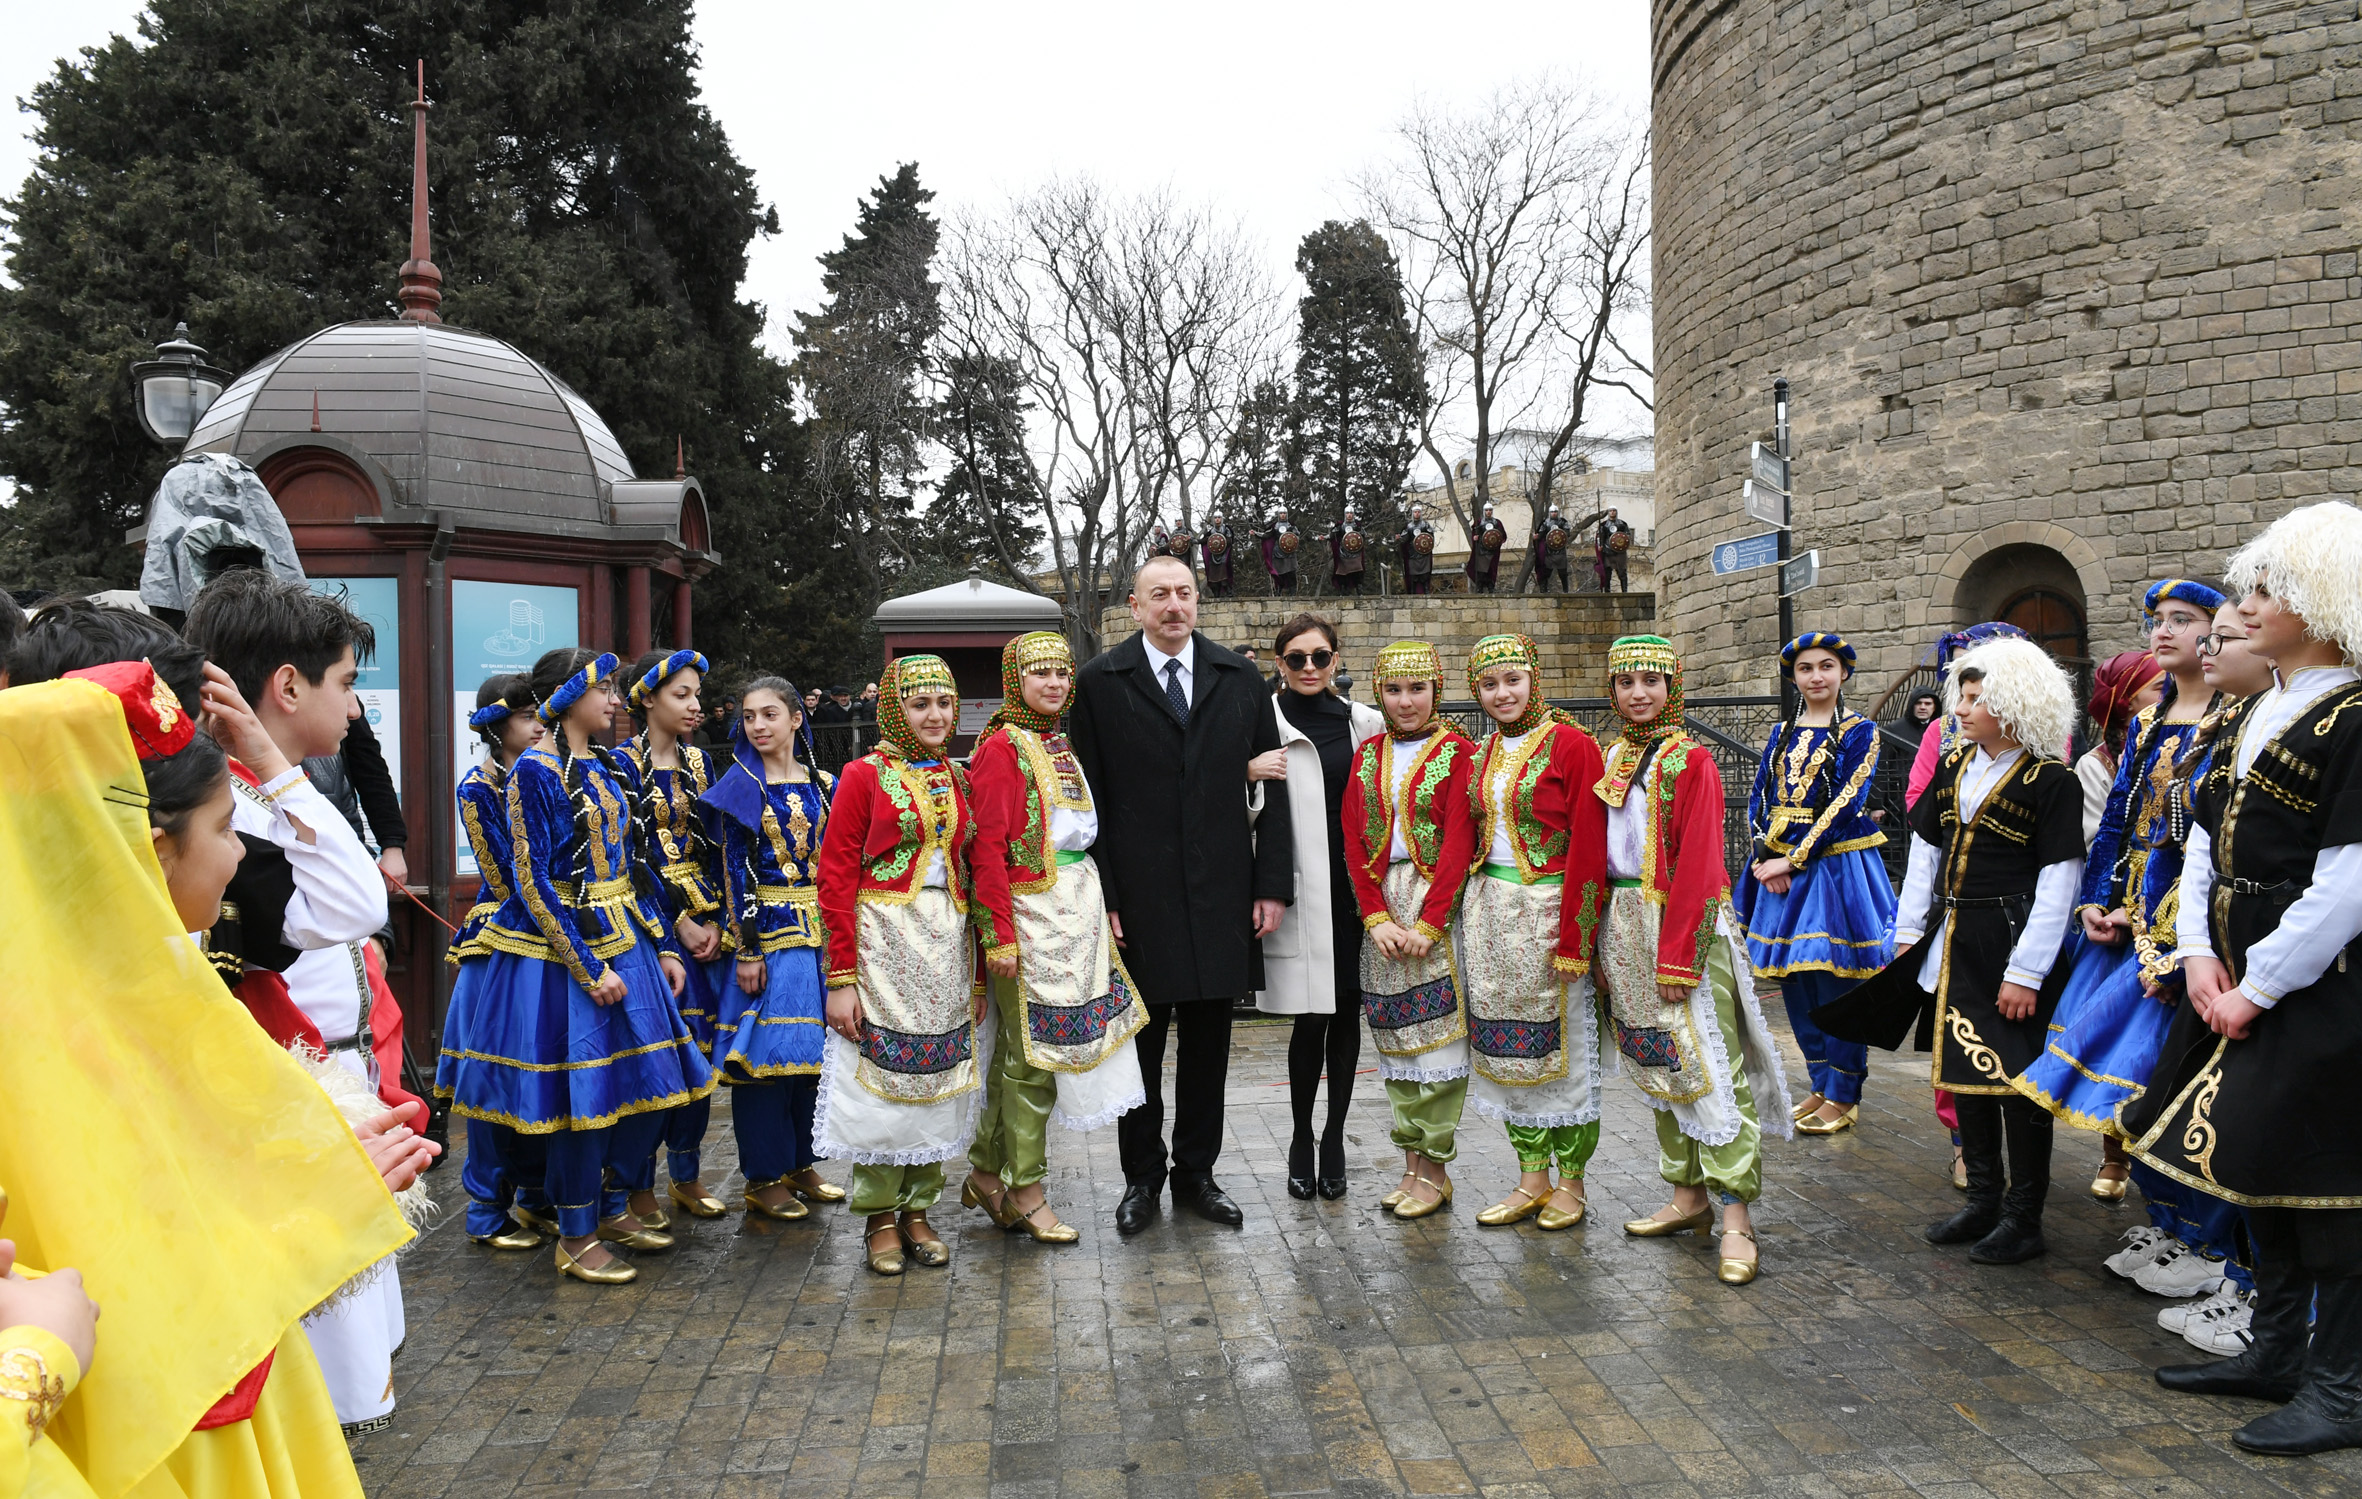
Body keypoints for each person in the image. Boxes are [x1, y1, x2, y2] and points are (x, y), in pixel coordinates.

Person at [0, 662, 422, 1498]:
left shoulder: (121, 991)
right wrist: (302, 1218)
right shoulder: (70, 1031)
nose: (239, 857)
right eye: (228, 829)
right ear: (155, 850)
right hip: (170, 1420)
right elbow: (130, 1274)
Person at [2122, 502, 2362, 1455]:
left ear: (2326, 599)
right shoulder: (2257, 709)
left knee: (2329, 1187)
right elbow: (2197, 845)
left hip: (2321, 988)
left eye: (2270, 588)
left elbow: (2349, 882)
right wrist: (2197, 954)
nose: (2248, 603)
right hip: (2229, 974)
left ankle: (2342, 1389)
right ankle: (2273, 1351)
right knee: (2258, 1171)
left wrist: (2255, 987)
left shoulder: (2353, 715)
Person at [182, 569, 416, 1430]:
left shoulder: (260, 792)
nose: (355, 712)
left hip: (331, 1072)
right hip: (288, 1087)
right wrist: (282, 770)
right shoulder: (234, 803)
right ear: (286, 686)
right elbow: (356, 904)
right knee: (317, 1364)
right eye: (347, 684)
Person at [433, 649, 712, 1286]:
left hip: (634, 945)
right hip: (569, 957)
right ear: (566, 697)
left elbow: (638, 862)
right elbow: (531, 884)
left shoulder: (613, 763)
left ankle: (611, 1206)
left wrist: (665, 944)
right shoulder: (536, 772)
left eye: (616, 689)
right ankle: (577, 1231)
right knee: (582, 1102)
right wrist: (587, 968)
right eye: (604, 689)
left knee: (645, 1093)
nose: (615, 701)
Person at [1817, 636, 2083, 1266]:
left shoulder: (2051, 781)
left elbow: (2060, 880)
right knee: (1964, 1069)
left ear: (2015, 702)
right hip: (1954, 937)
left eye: (1974, 698)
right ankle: (1984, 1200)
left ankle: (2025, 1217)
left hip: (2011, 940)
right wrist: (1908, 934)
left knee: (2016, 1082)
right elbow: (1925, 855)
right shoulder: (1956, 766)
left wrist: (2028, 972)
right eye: (1961, 695)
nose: (1958, 709)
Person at [2011, 584, 2240, 1310]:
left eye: (2185, 621)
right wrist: (2095, 899)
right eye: (2158, 622)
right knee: (2120, 1095)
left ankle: (2207, 1238)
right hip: (2124, 931)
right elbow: (2114, 823)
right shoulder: (2145, 723)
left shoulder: (2234, 720)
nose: (2165, 632)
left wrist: (2182, 944)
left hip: (2183, 938)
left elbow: (2210, 848)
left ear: (2215, 635)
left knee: (2164, 1086)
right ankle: (2164, 1221)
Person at [1069, 555, 1292, 1235]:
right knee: (1139, 1045)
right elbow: (1090, 800)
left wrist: (1272, 886)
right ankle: (1142, 1177)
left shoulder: (1238, 677)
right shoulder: (1101, 683)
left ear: (1199, 603)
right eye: (1159, 594)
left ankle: (1198, 1174)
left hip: (1222, 889)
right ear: (1135, 606)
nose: (1174, 604)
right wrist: (1103, 897)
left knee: (1208, 1046)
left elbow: (1275, 784)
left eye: (1184, 593)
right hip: (1139, 895)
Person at [2108, 593, 2280, 1357]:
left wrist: (2203, 955)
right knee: (2157, 1090)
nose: (2201, 646)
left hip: (2243, 952)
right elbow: (2156, 829)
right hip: (2178, 934)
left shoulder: (2258, 724)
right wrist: (2121, 910)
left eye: (2222, 634)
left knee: (2236, 1112)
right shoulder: (2170, 725)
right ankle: (2188, 1233)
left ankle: (2239, 1267)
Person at [1596, 635, 1795, 1286]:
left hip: (1683, 922)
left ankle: (1736, 1214)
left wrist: (1679, 954)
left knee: (1708, 1064)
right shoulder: (1615, 756)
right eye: (1626, 682)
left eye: (1651, 680)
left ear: (1671, 685)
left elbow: (1704, 862)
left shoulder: (1692, 761)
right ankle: (1687, 1196)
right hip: (1626, 924)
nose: (1638, 693)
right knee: (1659, 1062)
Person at [964, 632, 1151, 1242]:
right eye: (1039, 674)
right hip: (1028, 912)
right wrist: (999, 935)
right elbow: (987, 849)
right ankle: (1027, 1188)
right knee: (1028, 1060)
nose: (1053, 684)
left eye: (1061, 674)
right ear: (1014, 679)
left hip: (1074, 907)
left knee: (1026, 1057)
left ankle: (990, 1173)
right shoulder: (1001, 748)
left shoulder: (1058, 741)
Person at [814, 655, 987, 1276]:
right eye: (921, 705)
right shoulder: (862, 776)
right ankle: (880, 1217)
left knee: (938, 1083)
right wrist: (840, 979)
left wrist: (976, 976)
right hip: (882, 941)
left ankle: (920, 1209)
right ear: (895, 708)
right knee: (880, 1086)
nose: (937, 716)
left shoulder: (959, 777)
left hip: (945, 948)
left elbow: (969, 869)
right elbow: (834, 875)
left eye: (944, 704)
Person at [1457, 634, 1610, 1232]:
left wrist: (1578, 936)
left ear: (1533, 679)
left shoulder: (1572, 746)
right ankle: (1531, 1178)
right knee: (1508, 1049)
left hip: (1549, 911)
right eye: (1490, 685)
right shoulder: (1480, 753)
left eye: (1512, 680)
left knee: (1564, 1053)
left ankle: (1571, 1181)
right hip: (1491, 913)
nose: (1503, 694)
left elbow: (1588, 848)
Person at [1733, 633, 1895, 1136]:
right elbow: (1758, 798)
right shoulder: (1781, 732)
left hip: (1834, 868)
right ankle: (1821, 1081)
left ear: (1844, 673)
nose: (1816, 676)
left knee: (1836, 978)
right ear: (1795, 677)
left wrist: (1793, 861)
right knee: (1794, 980)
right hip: (1777, 867)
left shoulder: (1859, 731)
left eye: (1827, 666)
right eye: (1806, 669)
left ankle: (1846, 1091)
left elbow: (1847, 803)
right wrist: (1763, 859)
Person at [1342, 641, 1479, 1220]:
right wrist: (1373, 916)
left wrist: (1429, 921)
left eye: (1417, 690)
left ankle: (1437, 1168)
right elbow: (1352, 836)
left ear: (1436, 690)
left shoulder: (1460, 753)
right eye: (1394, 691)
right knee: (1397, 1045)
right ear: (1380, 693)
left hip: (1434, 905)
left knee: (1438, 1045)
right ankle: (1410, 1164)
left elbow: (1458, 842)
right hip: (1382, 909)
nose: (1405, 702)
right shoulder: (1367, 755)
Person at [700, 677, 845, 1221]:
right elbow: (733, 874)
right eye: (749, 717)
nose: (758, 726)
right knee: (765, 1061)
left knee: (813, 1059)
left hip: (821, 935)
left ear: (795, 719)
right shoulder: (740, 785)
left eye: (769, 715)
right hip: (770, 935)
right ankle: (763, 1175)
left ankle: (801, 1162)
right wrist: (747, 948)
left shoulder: (824, 784)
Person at [1252, 616, 1385, 1200]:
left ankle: (1335, 1137)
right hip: (1302, 883)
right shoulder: (1263, 723)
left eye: (1320, 657)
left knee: (1347, 1013)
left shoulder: (1364, 723)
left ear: (1335, 660)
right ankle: (1301, 1136)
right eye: (1297, 658)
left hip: (1356, 884)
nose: (1310, 668)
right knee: (1310, 1016)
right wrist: (1245, 770)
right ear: (1280, 663)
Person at [614, 649, 734, 1227]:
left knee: (701, 1057)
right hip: (649, 924)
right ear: (646, 698)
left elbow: (715, 846)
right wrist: (672, 926)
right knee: (656, 1061)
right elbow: (627, 860)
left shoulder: (698, 761)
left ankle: (685, 1176)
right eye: (681, 695)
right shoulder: (618, 764)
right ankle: (637, 1185)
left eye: (696, 695)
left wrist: (714, 921)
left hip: (705, 922)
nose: (694, 706)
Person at [444, 675, 556, 1252]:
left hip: (552, 935)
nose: (540, 724)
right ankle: (486, 1210)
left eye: (543, 714)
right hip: (504, 942)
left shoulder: (550, 772)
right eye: (526, 716)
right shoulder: (478, 788)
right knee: (493, 1076)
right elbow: (507, 877)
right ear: (495, 725)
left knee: (542, 1070)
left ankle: (536, 1196)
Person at [2076, 650, 2165, 845]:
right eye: (2161, 687)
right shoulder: (2094, 766)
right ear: (2127, 701)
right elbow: (2096, 844)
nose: (2171, 694)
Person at [1532, 503, 1574, 593]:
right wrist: (1536, 537)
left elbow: (1567, 533)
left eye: (1555, 512)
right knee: (1546, 573)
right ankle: (1544, 590)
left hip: (1560, 552)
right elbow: (1541, 534)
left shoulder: (1563, 522)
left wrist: (1560, 534)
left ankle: (1565, 591)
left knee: (1563, 573)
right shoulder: (1545, 523)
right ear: (1549, 513)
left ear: (1557, 512)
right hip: (1549, 552)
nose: (1554, 513)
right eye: (1552, 512)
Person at [1465, 503, 1506, 593]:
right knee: (1481, 569)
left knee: (1491, 569)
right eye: (1487, 510)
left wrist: (1497, 541)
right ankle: (1480, 587)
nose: (1488, 512)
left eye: (1490, 510)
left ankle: (1491, 586)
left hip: (1493, 551)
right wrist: (1475, 537)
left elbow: (1502, 536)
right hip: (1482, 550)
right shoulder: (1479, 522)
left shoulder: (1497, 523)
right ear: (1484, 511)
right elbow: (1475, 533)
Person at [1261, 508, 1302, 595]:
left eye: (1284, 513)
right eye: (1281, 513)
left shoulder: (1291, 526)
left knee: (1291, 574)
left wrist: (1295, 532)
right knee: (1279, 575)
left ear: (1286, 514)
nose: (1283, 515)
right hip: (1277, 553)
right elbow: (1266, 535)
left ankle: (1293, 593)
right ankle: (1278, 592)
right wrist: (1256, 533)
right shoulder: (1275, 526)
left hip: (1289, 553)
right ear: (1278, 515)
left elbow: (1296, 536)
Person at [1328, 508, 1367, 595]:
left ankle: (1359, 591)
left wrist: (1359, 531)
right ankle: (1343, 592)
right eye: (1347, 513)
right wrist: (1325, 537)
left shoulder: (1357, 526)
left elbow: (1364, 535)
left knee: (1358, 573)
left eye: (1351, 513)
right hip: (1343, 555)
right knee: (1342, 574)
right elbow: (1332, 535)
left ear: (1353, 514)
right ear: (1345, 514)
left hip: (1355, 554)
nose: (1349, 515)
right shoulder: (1340, 526)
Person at [1399, 505, 1436, 595]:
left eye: (1418, 512)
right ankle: (1412, 592)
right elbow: (1405, 539)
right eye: (1415, 512)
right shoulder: (1409, 526)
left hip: (1424, 553)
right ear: (1413, 513)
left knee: (1425, 575)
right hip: (1412, 553)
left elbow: (1430, 537)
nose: (1417, 514)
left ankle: (1426, 591)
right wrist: (1399, 538)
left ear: (1420, 513)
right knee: (1413, 576)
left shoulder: (1425, 524)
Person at [1595, 509, 1634, 593]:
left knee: (1622, 572)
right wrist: (1600, 545)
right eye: (1610, 511)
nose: (1612, 512)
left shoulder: (1622, 524)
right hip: (1607, 551)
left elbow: (1627, 536)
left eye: (1614, 511)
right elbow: (1600, 536)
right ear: (1608, 513)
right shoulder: (1603, 525)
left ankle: (1624, 591)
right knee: (1607, 573)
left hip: (1620, 552)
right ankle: (1607, 592)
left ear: (1616, 512)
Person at [1201, 510, 1238, 597]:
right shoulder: (1211, 531)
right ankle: (1216, 593)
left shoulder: (1226, 529)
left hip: (1224, 555)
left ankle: (1229, 591)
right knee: (1213, 575)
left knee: (1225, 571)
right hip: (1214, 556)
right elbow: (1205, 540)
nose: (1217, 519)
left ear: (1222, 519)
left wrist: (1222, 540)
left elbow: (1229, 540)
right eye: (1215, 518)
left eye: (1219, 518)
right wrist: (1194, 541)